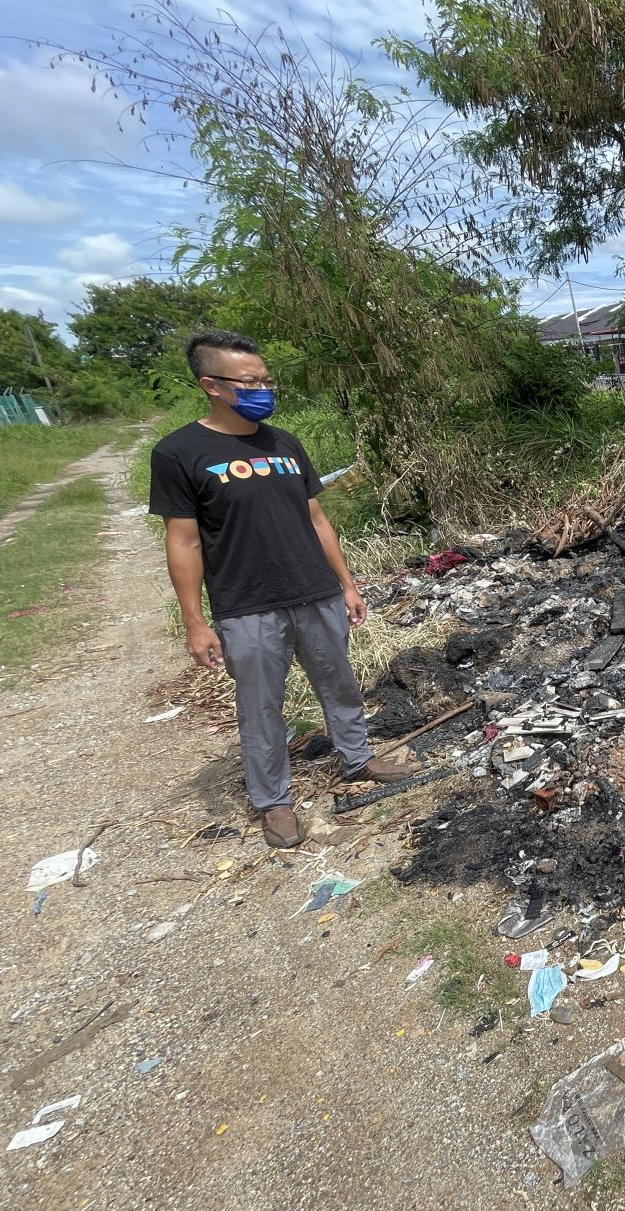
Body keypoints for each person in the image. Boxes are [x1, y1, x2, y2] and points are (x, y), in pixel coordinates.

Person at [149, 330, 414, 847]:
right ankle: (274, 801)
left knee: (339, 684)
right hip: (247, 605)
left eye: (266, 380)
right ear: (211, 385)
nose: (262, 389)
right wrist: (194, 620)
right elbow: (183, 542)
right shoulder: (179, 453)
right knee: (260, 706)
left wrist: (346, 583)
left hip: (315, 593)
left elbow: (316, 519)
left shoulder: (284, 442)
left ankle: (359, 759)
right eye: (249, 381)